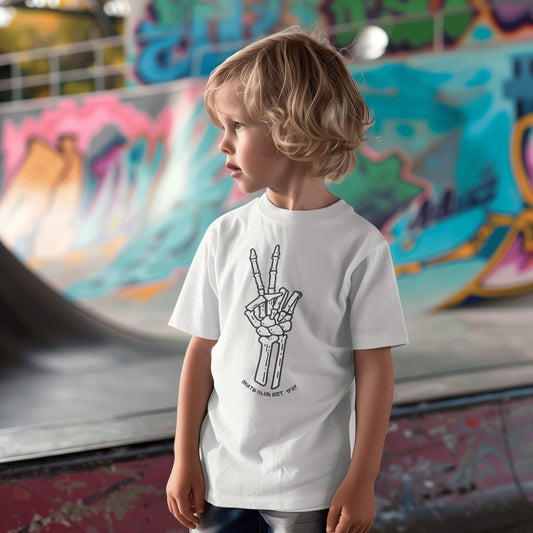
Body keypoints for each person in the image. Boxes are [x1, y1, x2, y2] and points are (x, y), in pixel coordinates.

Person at [166, 25, 408, 533]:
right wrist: (183, 456)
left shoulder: (358, 247)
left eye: (236, 125)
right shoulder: (224, 235)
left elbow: (375, 370)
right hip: (219, 478)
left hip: (310, 489)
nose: (221, 143)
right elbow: (201, 351)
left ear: (291, 126)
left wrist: (361, 478)